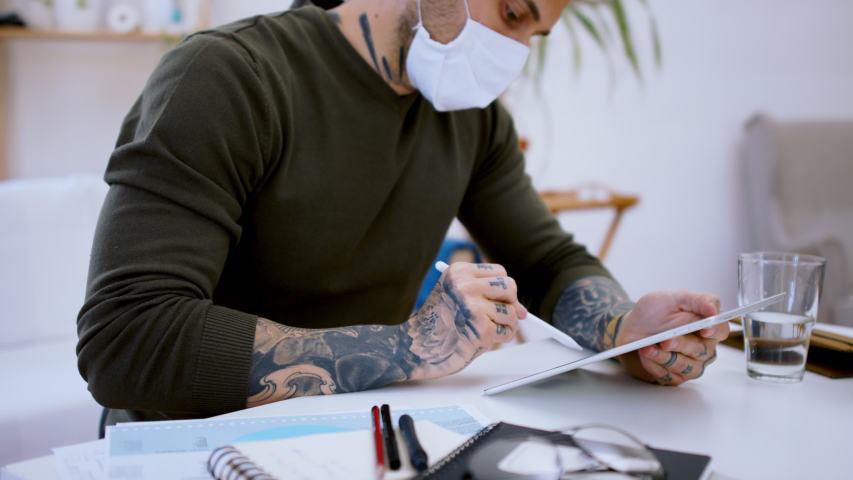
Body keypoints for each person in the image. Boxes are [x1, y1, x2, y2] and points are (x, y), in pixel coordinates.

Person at [77, 0, 729, 426]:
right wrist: (411, 346)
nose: (517, 53)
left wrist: (624, 328)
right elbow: (127, 337)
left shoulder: (473, 122)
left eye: (536, 34)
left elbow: (548, 260)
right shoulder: (229, 77)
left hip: (359, 436)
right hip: (195, 440)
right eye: (512, 13)